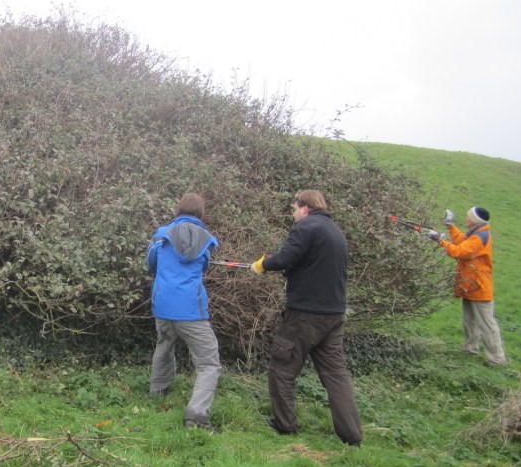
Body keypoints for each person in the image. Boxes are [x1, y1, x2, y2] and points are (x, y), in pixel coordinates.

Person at [250, 190, 363, 446]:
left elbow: (287, 257)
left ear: (305, 208)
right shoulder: (335, 231)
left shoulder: (306, 227)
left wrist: (263, 265)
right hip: (334, 315)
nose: (293, 214)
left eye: (294, 208)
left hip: (305, 315)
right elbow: (312, 265)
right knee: (336, 375)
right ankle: (352, 436)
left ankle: (285, 426)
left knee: (282, 367)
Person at [147, 193, 222, 430]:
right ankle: (196, 415)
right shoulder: (206, 240)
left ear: (177, 210)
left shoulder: (162, 236)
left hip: (163, 306)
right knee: (209, 364)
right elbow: (205, 266)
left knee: (164, 346)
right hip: (191, 310)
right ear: (201, 212)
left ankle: (157, 395)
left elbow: (151, 265)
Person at [428, 207, 507, 366]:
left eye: (469, 217)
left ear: (475, 220)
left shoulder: (480, 237)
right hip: (470, 286)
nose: (466, 218)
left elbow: (459, 252)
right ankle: (470, 349)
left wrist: (440, 241)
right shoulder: (476, 233)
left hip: (479, 287)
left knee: (486, 325)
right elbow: (462, 240)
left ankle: (497, 359)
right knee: (469, 321)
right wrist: (451, 226)